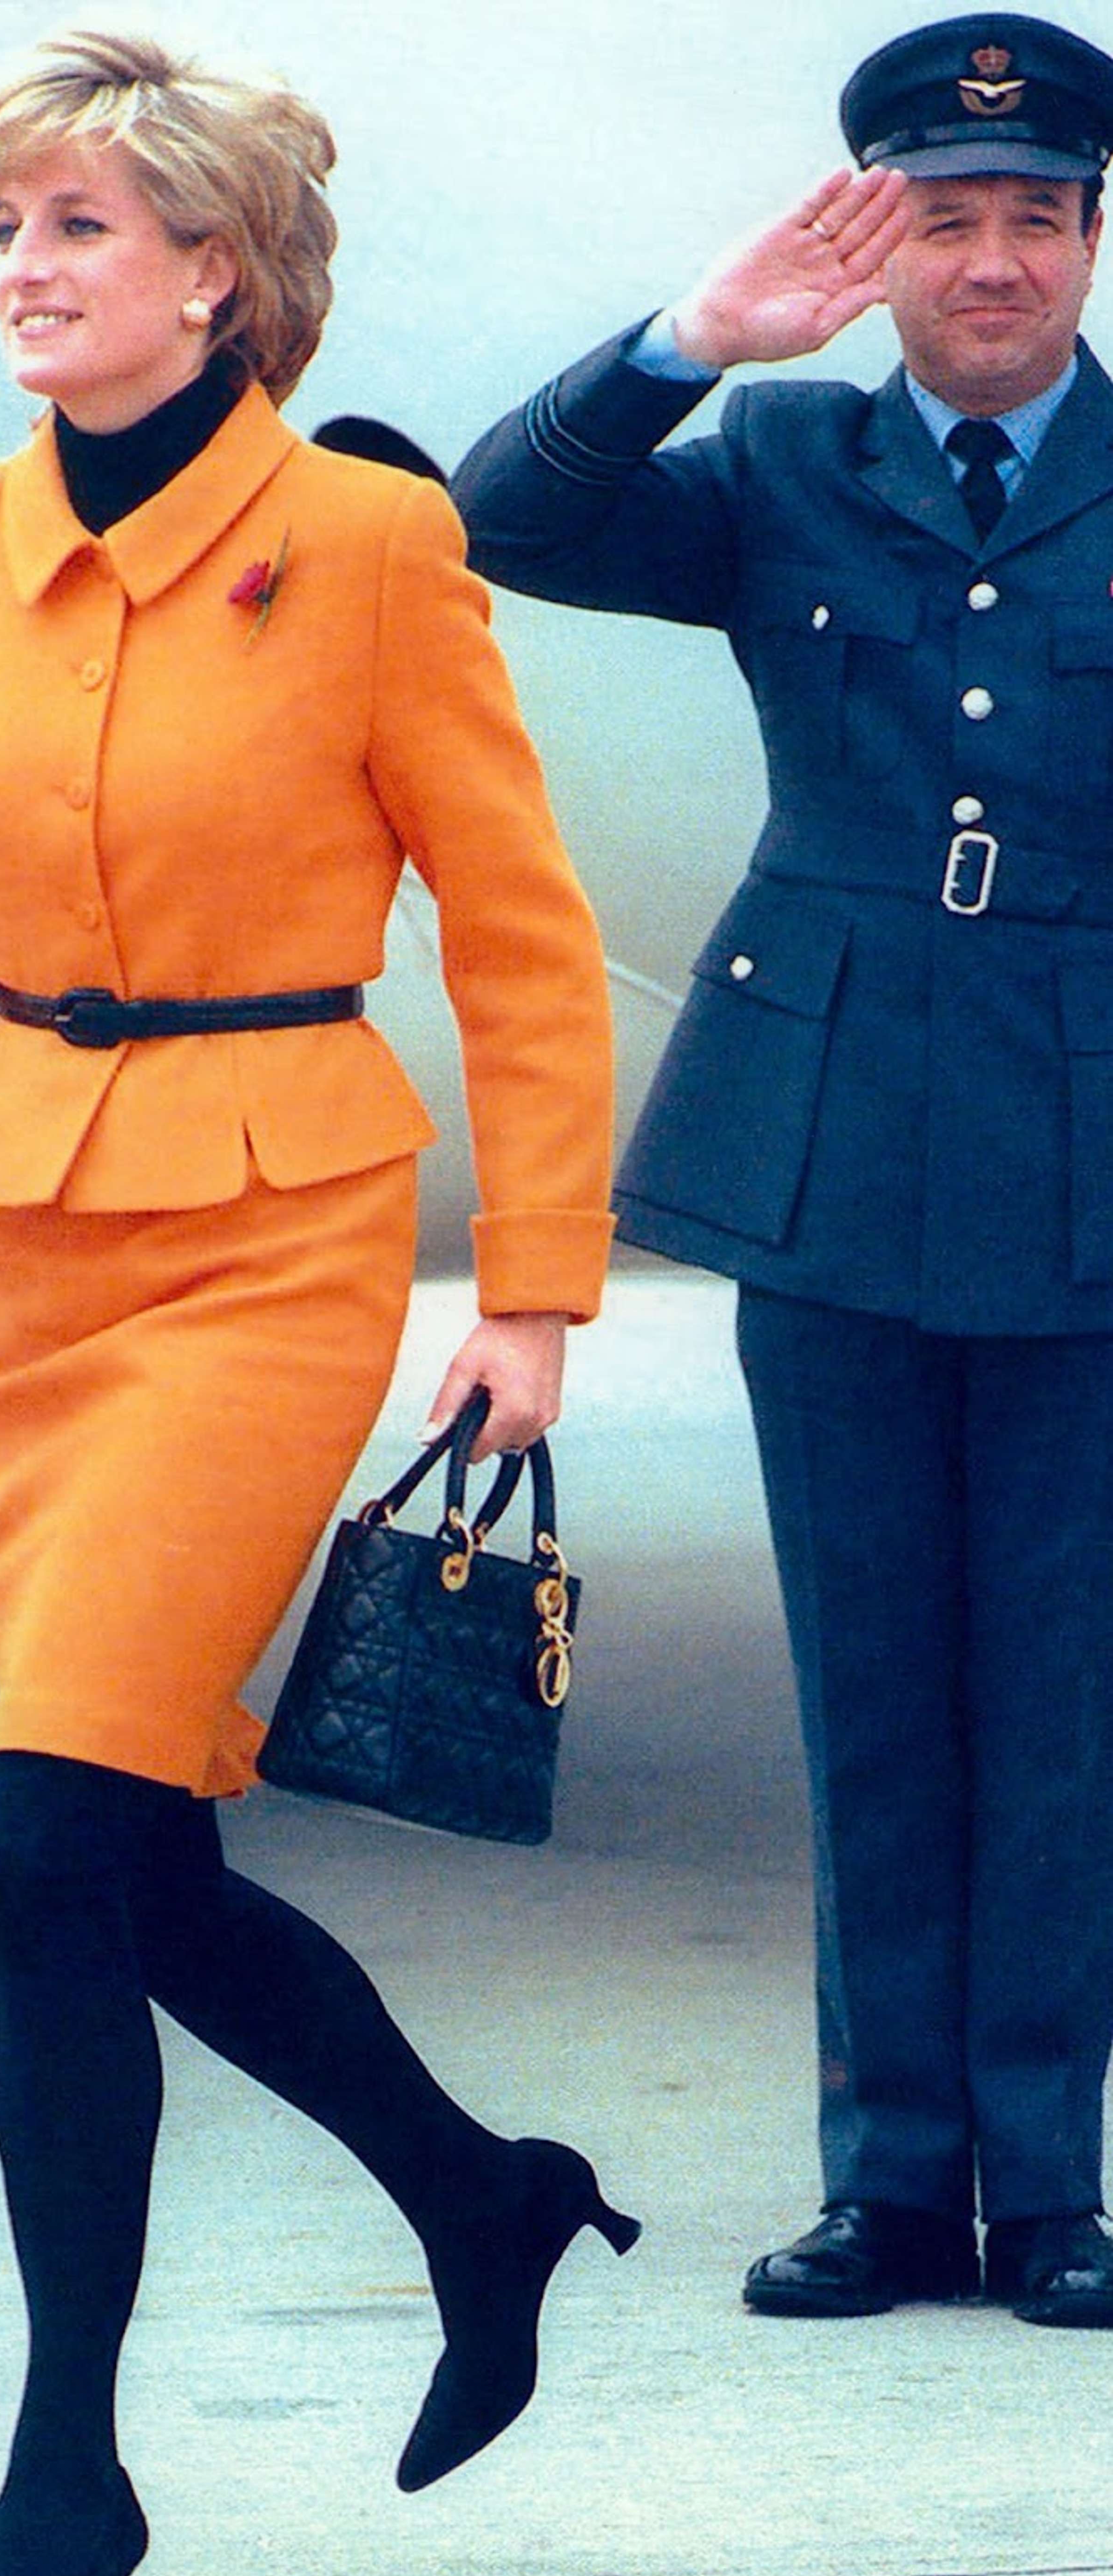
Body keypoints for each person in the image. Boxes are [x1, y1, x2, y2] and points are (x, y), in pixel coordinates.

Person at [0, 32, 632, 2576]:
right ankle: (483, 2198)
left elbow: (518, 925)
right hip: (32, 1232)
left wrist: (541, 1294)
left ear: (217, 272)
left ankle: (62, 2496)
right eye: (5, 231)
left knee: (43, 1847)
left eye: (82, 231)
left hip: (278, 1228)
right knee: (123, 1856)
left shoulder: (365, 540)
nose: (26, 273)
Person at [454, 9, 1113, 2330]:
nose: (1000, 260)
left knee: (1064, 1687)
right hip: (827, 1134)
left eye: (1041, 218)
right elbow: (494, 518)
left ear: (1094, 238)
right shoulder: (783, 455)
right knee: (874, 1677)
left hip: (1088, 1142)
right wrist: (691, 338)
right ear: (883, 246)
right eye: (952, 221)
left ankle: (1050, 2188)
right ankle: (890, 2184)